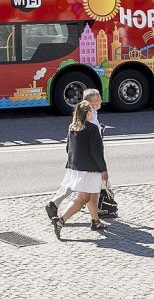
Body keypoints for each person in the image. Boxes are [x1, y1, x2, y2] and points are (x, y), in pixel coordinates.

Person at [50, 101, 108, 240]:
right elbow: (97, 153)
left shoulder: (72, 127)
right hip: (90, 169)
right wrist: (104, 170)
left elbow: (68, 149)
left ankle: (96, 222)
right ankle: (60, 221)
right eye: (92, 112)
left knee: (93, 195)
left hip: (76, 168)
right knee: (83, 199)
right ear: (88, 113)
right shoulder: (92, 128)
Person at [46, 89, 103, 220]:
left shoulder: (90, 115)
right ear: (86, 103)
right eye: (93, 101)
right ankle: (59, 208)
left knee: (75, 184)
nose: (96, 103)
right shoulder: (91, 117)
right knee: (79, 186)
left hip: (80, 159)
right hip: (88, 160)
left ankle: (94, 212)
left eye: (97, 99)